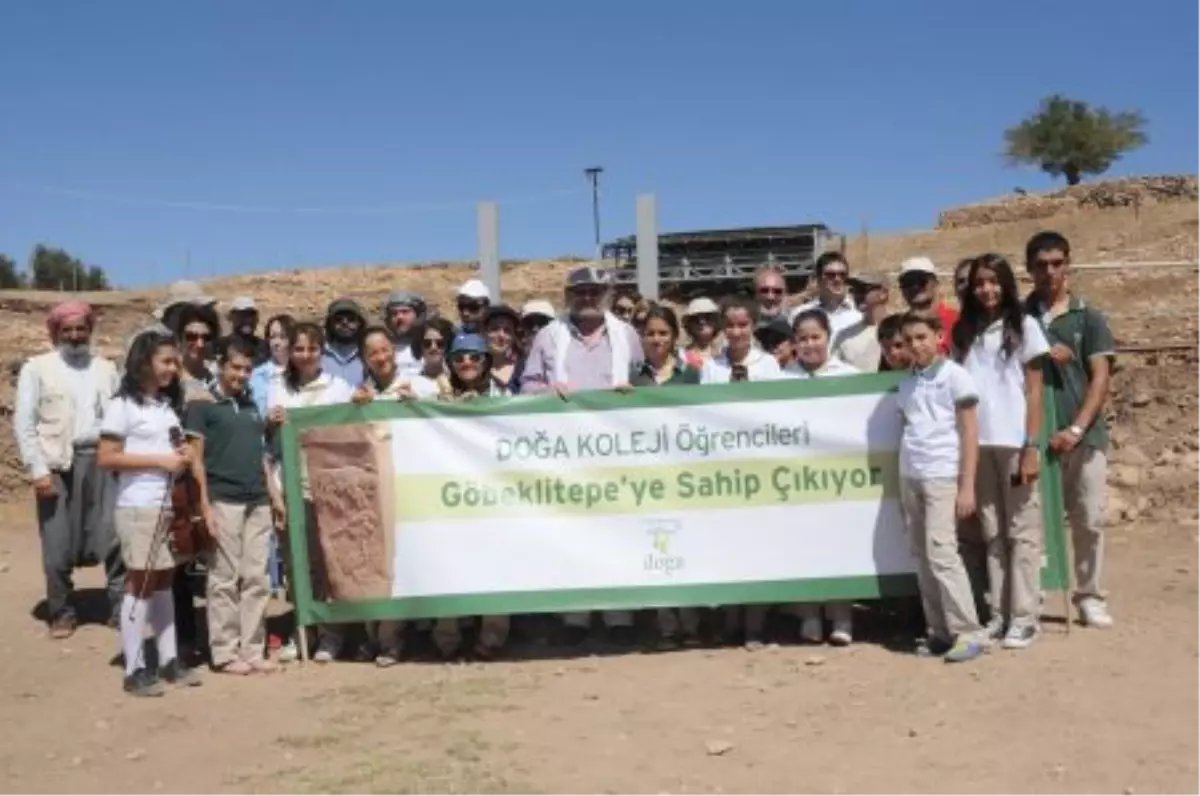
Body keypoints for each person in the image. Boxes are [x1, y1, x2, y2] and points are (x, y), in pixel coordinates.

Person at [521, 266, 643, 646]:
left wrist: (633, 395)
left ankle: (618, 614)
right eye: (580, 292)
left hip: (615, 453)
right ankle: (576, 614)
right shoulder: (548, 336)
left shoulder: (627, 336)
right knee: (572, 531)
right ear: (568, 295)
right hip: (566, 452)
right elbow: (526, 386)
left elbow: (644, 383)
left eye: (594, 291)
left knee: (617, 530)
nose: (587, 298)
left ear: (606, 293)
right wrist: (546, 394)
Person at [98, 328, 204, 696]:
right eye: (167, 361)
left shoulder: (164, 406)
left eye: (175, 362)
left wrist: (183, 457)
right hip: (138, 505)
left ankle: (169, 660)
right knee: (140, 583)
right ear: (144, 362)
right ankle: (134, 668)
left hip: (167, 505)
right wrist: (159, 460)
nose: (174, 369)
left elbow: (175, 449)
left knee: (163, 582)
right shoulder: (122, 405)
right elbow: (106, 457)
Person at [953, 253, 1050, 650]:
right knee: (992, 533)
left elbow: (1035, 390)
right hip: (980, 445)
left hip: (1013, 443)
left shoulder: (1025, 326)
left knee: (1022, 531)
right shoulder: (966, 332)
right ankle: (999, 613)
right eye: (979, 282)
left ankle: (1025, 616)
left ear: (1006, 284)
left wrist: (1031, 445)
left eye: (993, 281)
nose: (986, 289)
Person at [1024, 231, 1116, 629]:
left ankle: (1089, 595)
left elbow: (1100, 379)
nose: (1050, 272)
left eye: (1057, 263)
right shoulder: (1019, 317)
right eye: (1041, 264)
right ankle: (1035, 593)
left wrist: (1077, 428)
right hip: (1035, 438)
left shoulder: (1088, 316)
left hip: (1082, 437)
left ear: (1068, 265)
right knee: (1034, 522)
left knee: (1088, 518)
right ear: (1029, 269)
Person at [15, 300, 123, 637]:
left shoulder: (106, 369)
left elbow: (120, 417)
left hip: (103, 461)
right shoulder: (37, 368)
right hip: (57, 463)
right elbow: (24, 423)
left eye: (81, 329)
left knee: (114, 535)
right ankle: (60, 610)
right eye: (68, 330)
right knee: (57, 543)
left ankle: (121, 607)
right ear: (56, 333)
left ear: (90, 332)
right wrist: (38, 471)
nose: (75, 336)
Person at [896, 312, 987, 663]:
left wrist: (967, 486)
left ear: (938, 336)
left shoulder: (956, 377)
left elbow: (969, 432)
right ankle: (939, 631)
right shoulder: (907, 383)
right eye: (909, 340)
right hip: (911, 474)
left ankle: (968, 630)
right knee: (921, 555)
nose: (916, 345)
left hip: (942, 474)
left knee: (943, 552)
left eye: (922, 337)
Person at [184, 337, 279, 674]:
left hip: (258, 500)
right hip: (223, 499)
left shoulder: (252, 406)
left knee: (257, 577)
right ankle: (224, 652)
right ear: (221, 366)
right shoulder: (200, 404)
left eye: (247, 369)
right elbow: (195, 460)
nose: (241, 375)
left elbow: (262, 455)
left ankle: (253, 648)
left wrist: (275, 497)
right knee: (224, 577)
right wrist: (204, 507)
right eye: (235, 367)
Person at [266, 322, 356, 663]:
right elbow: (267, 439)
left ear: (322, 351)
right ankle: (303, 627)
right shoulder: (277, 387)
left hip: (327, 483)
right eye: (299, 348)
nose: (305, 355)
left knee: (326, 559)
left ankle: (331, 633)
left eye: (312, 348)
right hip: (289, 482)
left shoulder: (338, 387)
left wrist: (361, 401)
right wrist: (270, 422)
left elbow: (353, 423)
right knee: (295, 562)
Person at [624, 306, 702, 647]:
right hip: (649, 477)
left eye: (663, 333)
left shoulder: (692, 375)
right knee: (657, 550)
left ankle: (693, 624)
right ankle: (666, 625)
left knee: (687, 549)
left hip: (684, 475)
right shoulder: (632, 377)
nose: (656, 339)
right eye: (650, 333)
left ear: (674, 337)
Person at [431, 332, 511, 659]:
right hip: (450, 496)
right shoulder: (435, 398)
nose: (467, 363)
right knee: (450, 564)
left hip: (495, 497)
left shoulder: (505, 394)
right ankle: (447, 637)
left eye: (474, 357)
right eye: (459, 357)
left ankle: (492, 637)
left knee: (495, 566)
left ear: (486, 362)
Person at [785, 309, 858, 645]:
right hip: (797, 479)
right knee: (803, 546)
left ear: (828, 337)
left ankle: (841, 616)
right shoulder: (780, 380)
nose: (810, 344)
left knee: (840, 544)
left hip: (839, 479)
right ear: (793, 343)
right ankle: (809, 616)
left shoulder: (851, 376)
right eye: (802, 338)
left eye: (816, 337)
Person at [700, 298, 784, 384]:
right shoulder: (711, 367)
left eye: (742, 325)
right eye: (730, 325)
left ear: (754, 326)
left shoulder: (768, 364)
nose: (736, 333)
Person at [789, 252, 863, 341]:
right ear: (819, 279)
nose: (837, 279)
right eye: (831, 275)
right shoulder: (799, 314)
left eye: (842, 275)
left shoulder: (859, 317)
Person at [898, 257, 958, 354]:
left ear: (935, 283)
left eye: (921, 281)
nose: (915, 287)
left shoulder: (956, 321)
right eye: (908, 282)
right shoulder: (898, 326)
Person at [831, 282, 889, 372]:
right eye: (854, 291)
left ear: (883, 294)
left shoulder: (900, 329)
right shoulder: (844, 336)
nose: (858, 295)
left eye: (864, 290)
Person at [172, 303, 221, 402]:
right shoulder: (169, 378)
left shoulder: (216, 379)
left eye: (206, 338)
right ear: (179, 337)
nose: (200, 344)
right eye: (191, 337)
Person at [249, 314, 294, 418]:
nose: (276, 343)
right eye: (272, 337)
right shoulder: (257, 375)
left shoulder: (304, 371)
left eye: (282, 337)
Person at [400, 317, 456, 397]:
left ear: (448, 346)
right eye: (427, 343)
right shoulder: (410, 382)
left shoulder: (459, 380)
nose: (433, 347)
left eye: (440, 343)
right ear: (420, 347)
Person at [321, 298, 367, 387]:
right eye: (338, 319)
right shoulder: (319, 355)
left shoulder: (368, 354)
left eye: (351, 319)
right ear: (329, 324)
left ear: (359, 323)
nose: (345, 323)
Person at [483, 304, 524, 395]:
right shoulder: (474, 369)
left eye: (507, 330)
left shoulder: (524, 370)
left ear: (513, 337)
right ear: (484, 333)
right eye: (494, 329)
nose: (501, 335)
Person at [382, 291, 426, 373]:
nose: (399, 317)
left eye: (405, 312)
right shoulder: (382, 349)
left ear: (418, 315)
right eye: (394, 313)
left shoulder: (432, 344)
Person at [221, 297, 270, 366]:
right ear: (231, 318)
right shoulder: (221, 346)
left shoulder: (264, 347)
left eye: (251, 316)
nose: (248, 320)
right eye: (242, 316)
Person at [681, 297, 722, 370]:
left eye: (707, 317)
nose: (702, 322)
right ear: (689, 325)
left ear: (716, 322)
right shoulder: (682, 356)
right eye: (696, 319)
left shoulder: (723, 353)